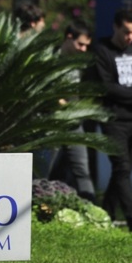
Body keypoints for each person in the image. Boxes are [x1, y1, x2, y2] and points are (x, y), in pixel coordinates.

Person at [87, 8, 132, 233]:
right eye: (126, 32)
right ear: (116, 27)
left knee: (123, 172)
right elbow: (106, 87)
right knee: (121, 167)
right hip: (113, 119)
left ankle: (106, 215)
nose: (130, 37)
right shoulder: (102, 52)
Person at [48, 21, 97, 202]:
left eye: (87, 46)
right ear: (69, 37)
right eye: (80, 44)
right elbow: (43, 89)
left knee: (82, 169)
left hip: (74, 123)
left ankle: (92, 210)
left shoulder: (79, 62)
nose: (84, 49)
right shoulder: (51, 58)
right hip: (51, 123)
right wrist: (60, 103)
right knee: (45, 170)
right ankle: (37, 208)